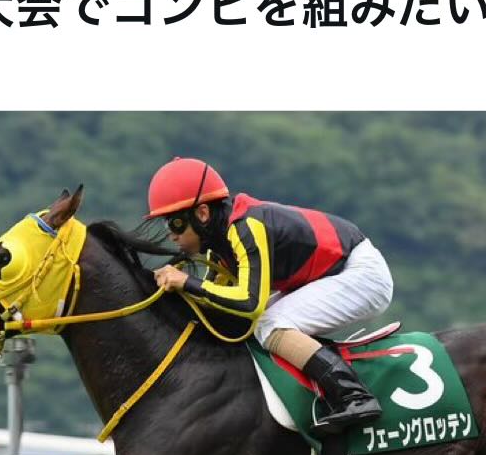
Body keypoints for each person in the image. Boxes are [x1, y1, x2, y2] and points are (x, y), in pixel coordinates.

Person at [146, 157, 394, 433]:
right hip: (331, 274)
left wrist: (186, 282)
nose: (171, 235)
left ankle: (353, 395)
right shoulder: (219, 246)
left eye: (175, 223)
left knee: (269, 323)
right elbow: (216, 310)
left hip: (360, 273)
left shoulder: (246, 227)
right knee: (257, 325)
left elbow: (248, 304)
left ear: (202, 213)